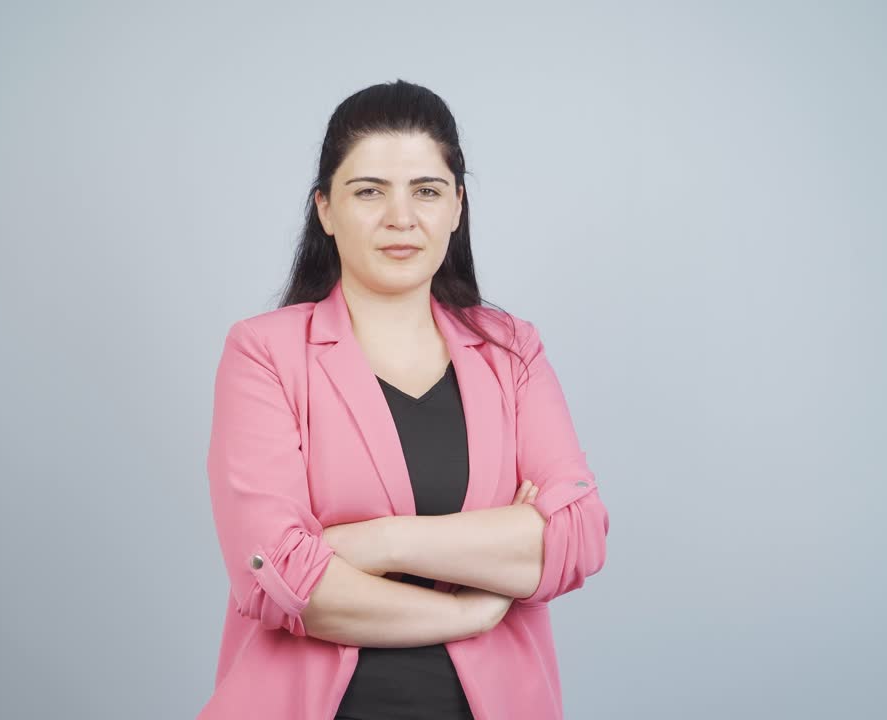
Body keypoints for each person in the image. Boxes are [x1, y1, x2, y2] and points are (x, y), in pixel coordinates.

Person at [198, 79, 610, 720]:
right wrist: (469, 604)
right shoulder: (265, 353)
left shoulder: (512, 350)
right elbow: (278, 579)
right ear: (326, 210)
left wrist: (382, 543)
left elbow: (576, 538)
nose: (401, 217)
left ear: (457, 208)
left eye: (426, 190)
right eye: (369, 192)